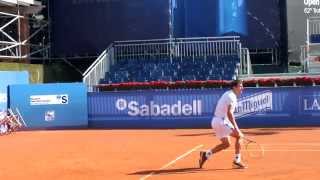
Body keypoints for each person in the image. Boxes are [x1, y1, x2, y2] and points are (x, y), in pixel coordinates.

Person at [199, 79, 246, 169]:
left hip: (216, 121)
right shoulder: (231, 96)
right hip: (221, 122)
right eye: (240, 86)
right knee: (239, 136)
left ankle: (206, 154)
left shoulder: (228, 94)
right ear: (234, 87)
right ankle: (237, 161)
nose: (242, 88)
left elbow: (225, 113)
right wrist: (236, 128)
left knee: (226, 144)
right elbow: (229, 113)